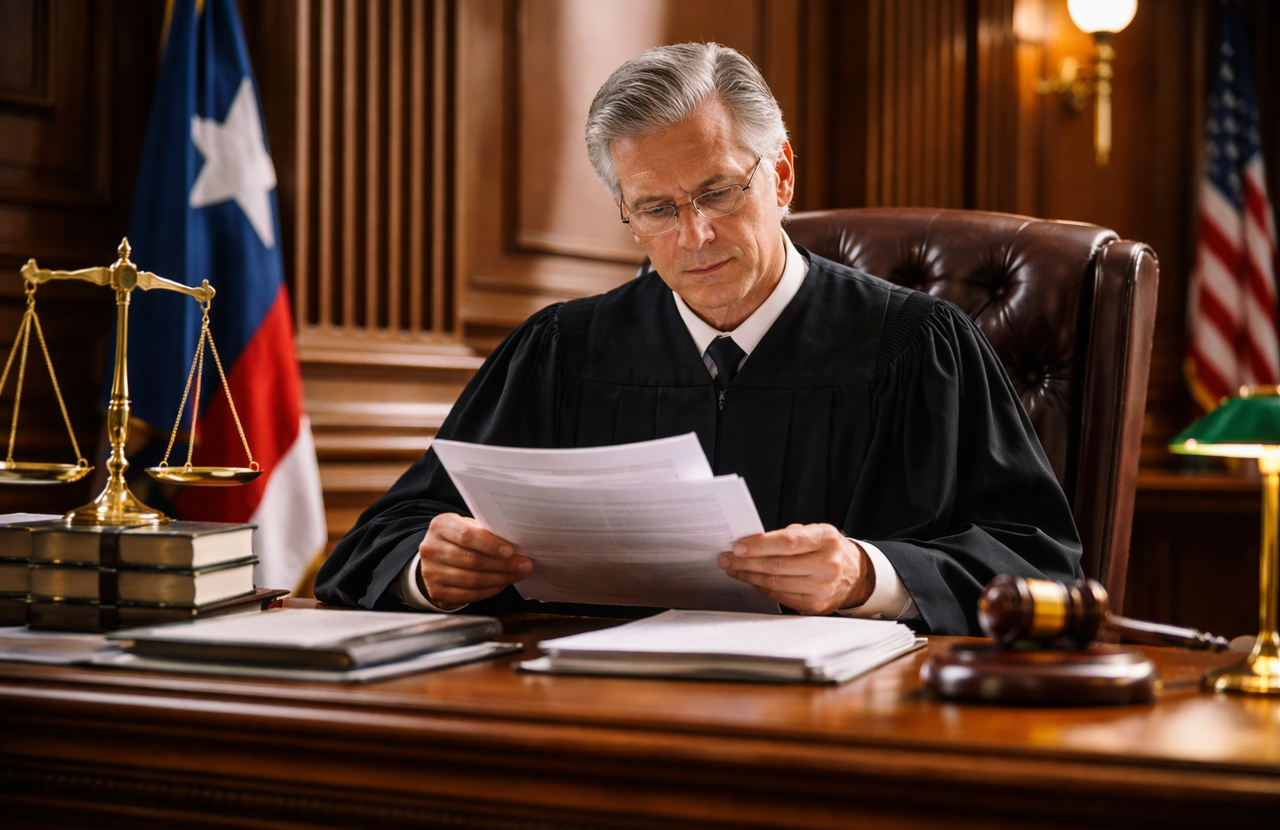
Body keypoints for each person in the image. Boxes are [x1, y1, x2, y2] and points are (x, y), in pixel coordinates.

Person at [316, 43, 1082, 635]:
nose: (695, 234)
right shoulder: (561, 353)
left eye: (718, 191)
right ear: (627, 215)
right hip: (587, 720)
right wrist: (432, 569)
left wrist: (866, 574)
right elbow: (377, 542)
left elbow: (1044, 568)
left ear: (781, 175)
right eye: (656, 208)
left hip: (838, 734)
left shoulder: (918, 348)